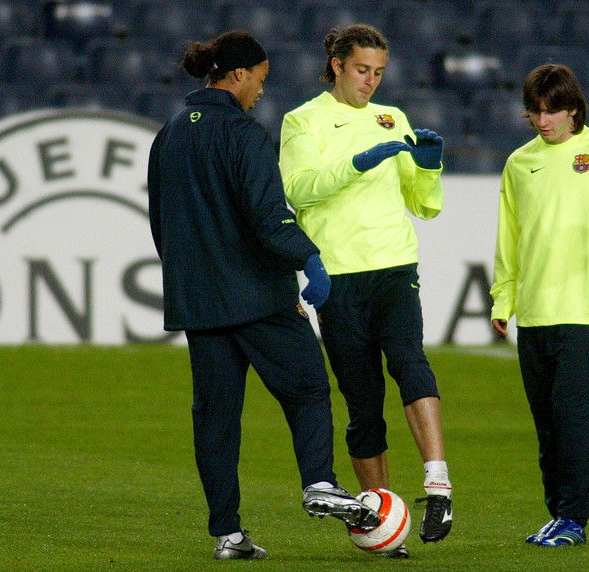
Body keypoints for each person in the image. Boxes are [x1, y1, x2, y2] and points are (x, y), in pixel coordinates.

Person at [147, 30, 379, 561]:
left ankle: (227, 534)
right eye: (259, 80)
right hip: (257, 297)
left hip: (199, 303)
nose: (260, 92)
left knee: (216, 418)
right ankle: (319, 482)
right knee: (307, 388)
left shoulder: (170, 133)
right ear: (237, 75)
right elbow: (269, 217)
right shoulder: (243, 134)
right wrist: (309, 257)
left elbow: (162, 223)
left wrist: (192, 278)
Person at [278, 24, 451, 558]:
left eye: (378, 72)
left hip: (395, 266)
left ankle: (439, 487)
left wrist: (428, 167)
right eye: (361, 70)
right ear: (336, 64)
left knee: (410, 363)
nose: (371, 82)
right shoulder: (302, 120)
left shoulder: (392, 118)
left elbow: (425, 205)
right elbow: (297, 190)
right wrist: (357, 163)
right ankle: (381, 516)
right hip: (338, 277)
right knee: (362, 403)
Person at [490, 64, 589, 547]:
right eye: (535, 111)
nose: (542, 120)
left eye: (551, 110)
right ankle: (558, 515)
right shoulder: (519, 163)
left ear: (573, 109)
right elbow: (509, 238)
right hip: (535, 312)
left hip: (585, 311)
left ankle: (574, 518)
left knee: (570, 411)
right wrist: (504, 297)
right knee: (547, 424)